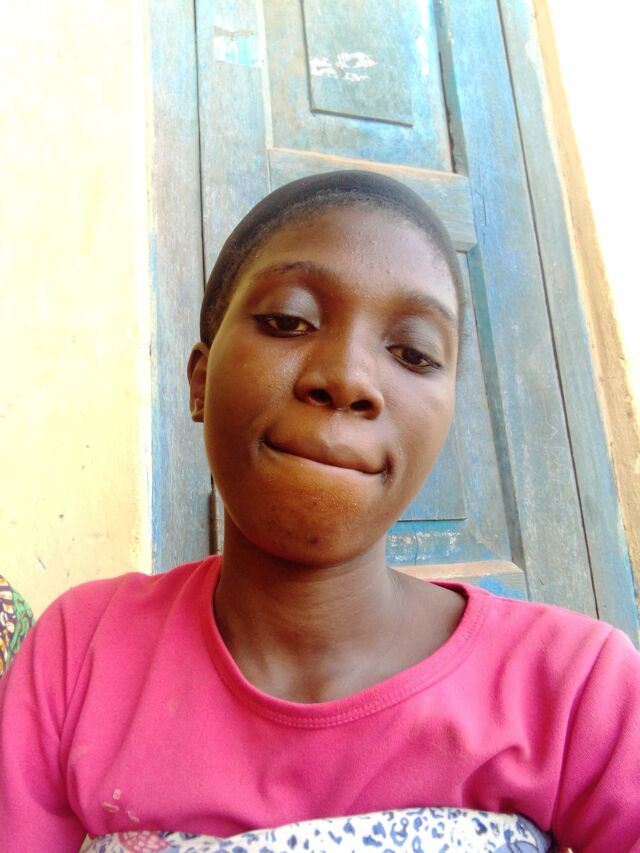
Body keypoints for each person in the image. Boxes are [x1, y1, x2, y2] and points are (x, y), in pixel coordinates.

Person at [0, 171, 638, 853]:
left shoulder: (575, 688)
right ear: (200, 380)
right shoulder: (81, 652)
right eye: (288, 321)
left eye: (413, 353)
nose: (348, 378)